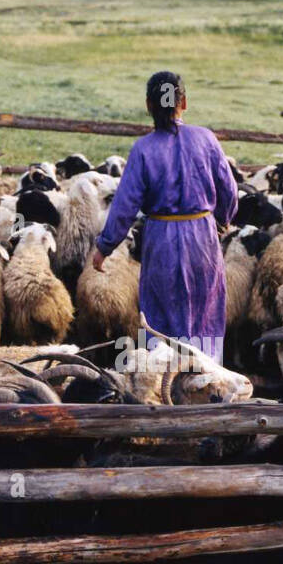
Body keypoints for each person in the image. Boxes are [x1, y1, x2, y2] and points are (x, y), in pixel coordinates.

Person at [91, 71, 237, 361]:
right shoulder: (206, 139)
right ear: (183, 102)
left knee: (161, 311)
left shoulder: (143, 149)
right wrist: (222, 219)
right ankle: (206, 382)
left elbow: (125, 204)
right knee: (203, 308)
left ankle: (161, 382)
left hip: (162, 240)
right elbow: (229, 189)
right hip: (203, 239)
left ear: (149, 105)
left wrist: (105, 246)